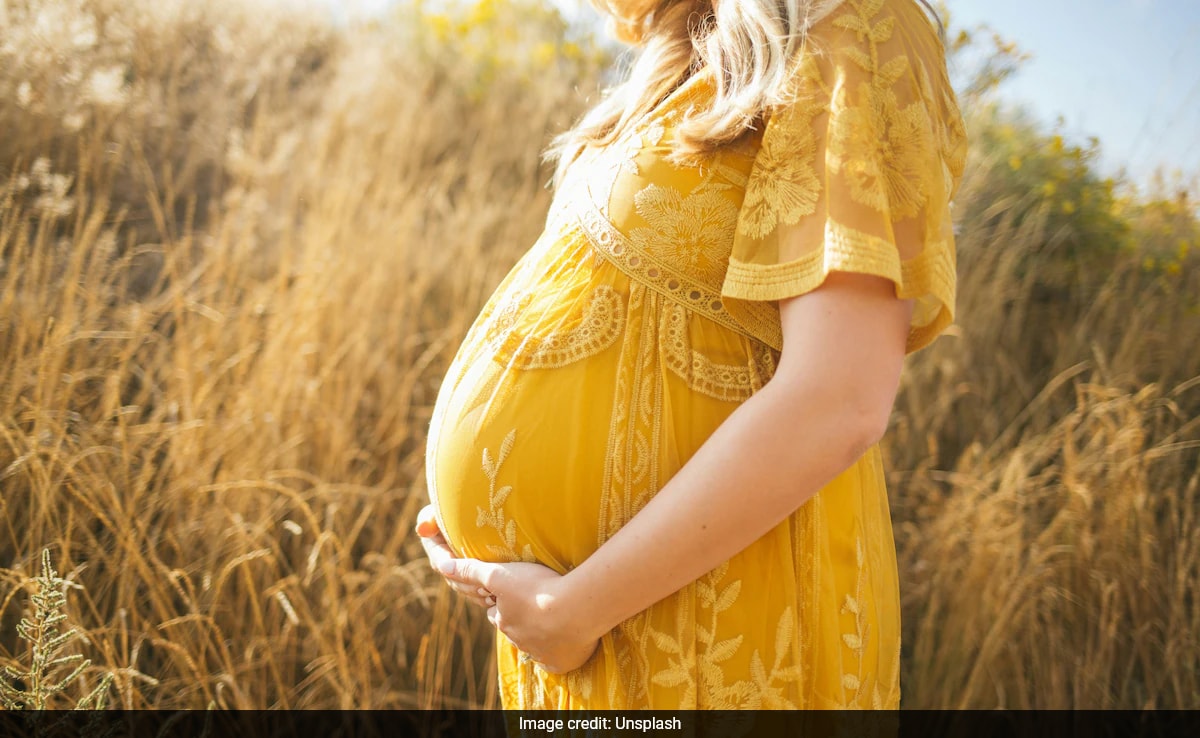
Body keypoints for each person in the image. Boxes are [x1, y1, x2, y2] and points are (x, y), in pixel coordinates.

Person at [415, 0, 967, 709]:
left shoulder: (854, 22)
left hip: (708, 624)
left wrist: (572, 610)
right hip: (591, 626)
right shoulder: (685, 50)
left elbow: (841, 398)